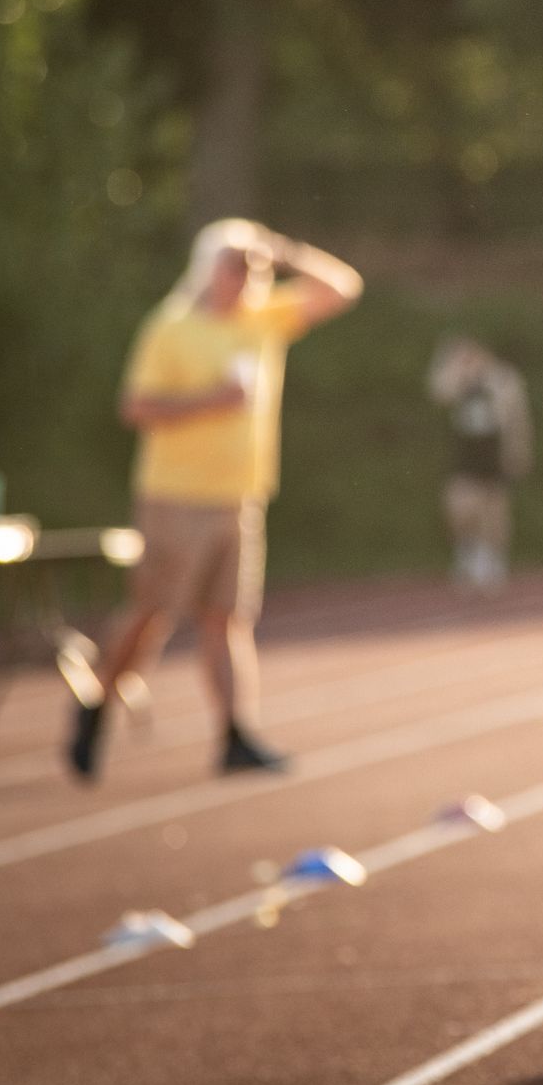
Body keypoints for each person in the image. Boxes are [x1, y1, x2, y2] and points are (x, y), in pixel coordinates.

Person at [68, 220, 362, 779]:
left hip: (240, 497)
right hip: (176, 498)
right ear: (208, 269)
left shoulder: (262, 317)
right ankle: (97, 700)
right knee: (151, 614)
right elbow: (136, 407)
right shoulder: (171, 326)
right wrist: (212, 401)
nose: (246, 277)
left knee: (226, 619)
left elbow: (343, 288)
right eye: (235, 266)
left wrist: (280, 248)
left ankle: (234, 735)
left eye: (253, 267)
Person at [428, 335, 532, 595]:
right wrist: (458, 369)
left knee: (494, 509)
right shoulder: (458, 379)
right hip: (465, 455)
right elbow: (439, 392)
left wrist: (518, 450)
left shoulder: (502, 379)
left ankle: (491, 559)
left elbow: (516, 417)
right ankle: (468, 550)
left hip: (494, 453)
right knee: (459, 506)